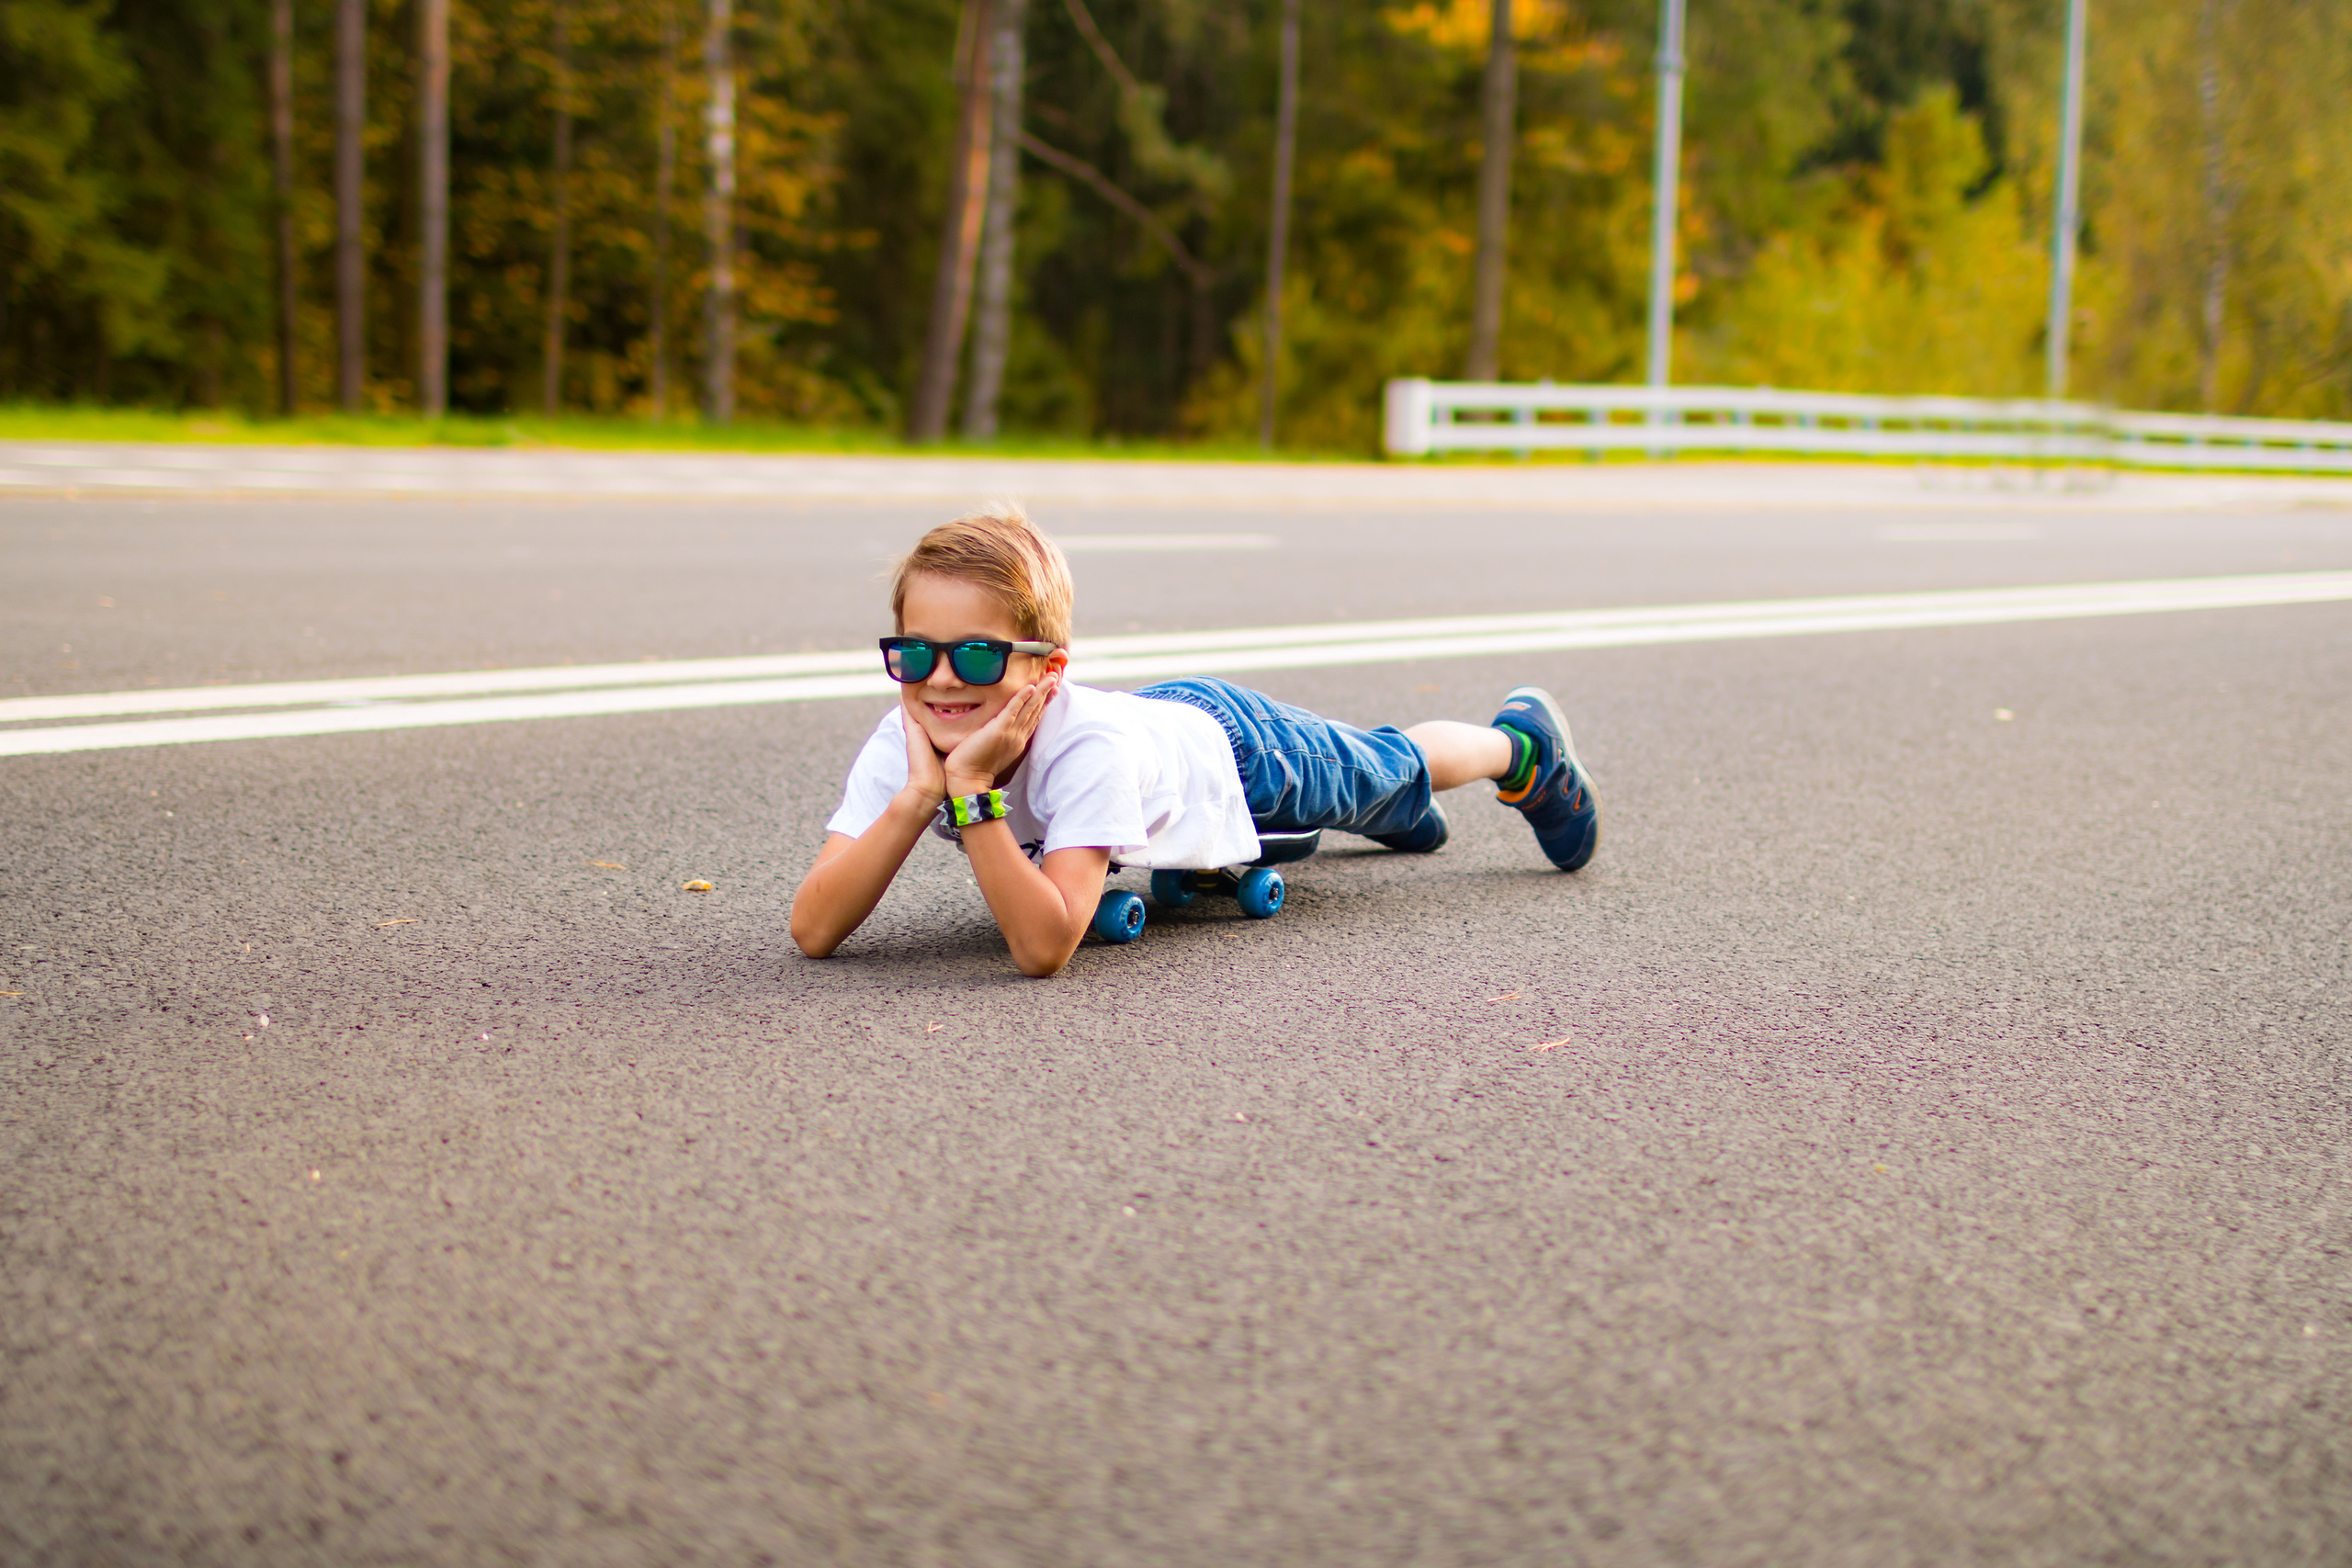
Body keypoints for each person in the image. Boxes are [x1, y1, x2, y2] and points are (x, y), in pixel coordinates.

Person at [790, 504, 1600, 976]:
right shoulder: (906, 740)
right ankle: (1398, 815)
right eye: (915, 652)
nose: (939, 680)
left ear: (1047, 672)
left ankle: (1518, 747)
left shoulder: (1087, 747)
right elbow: (814, 929)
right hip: (1156, 746)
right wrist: (918, 796)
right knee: (1379, 791)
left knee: (1388, 766)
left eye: (976, 653)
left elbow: (1043, 946)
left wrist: (972, 795)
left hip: (1238, 754)